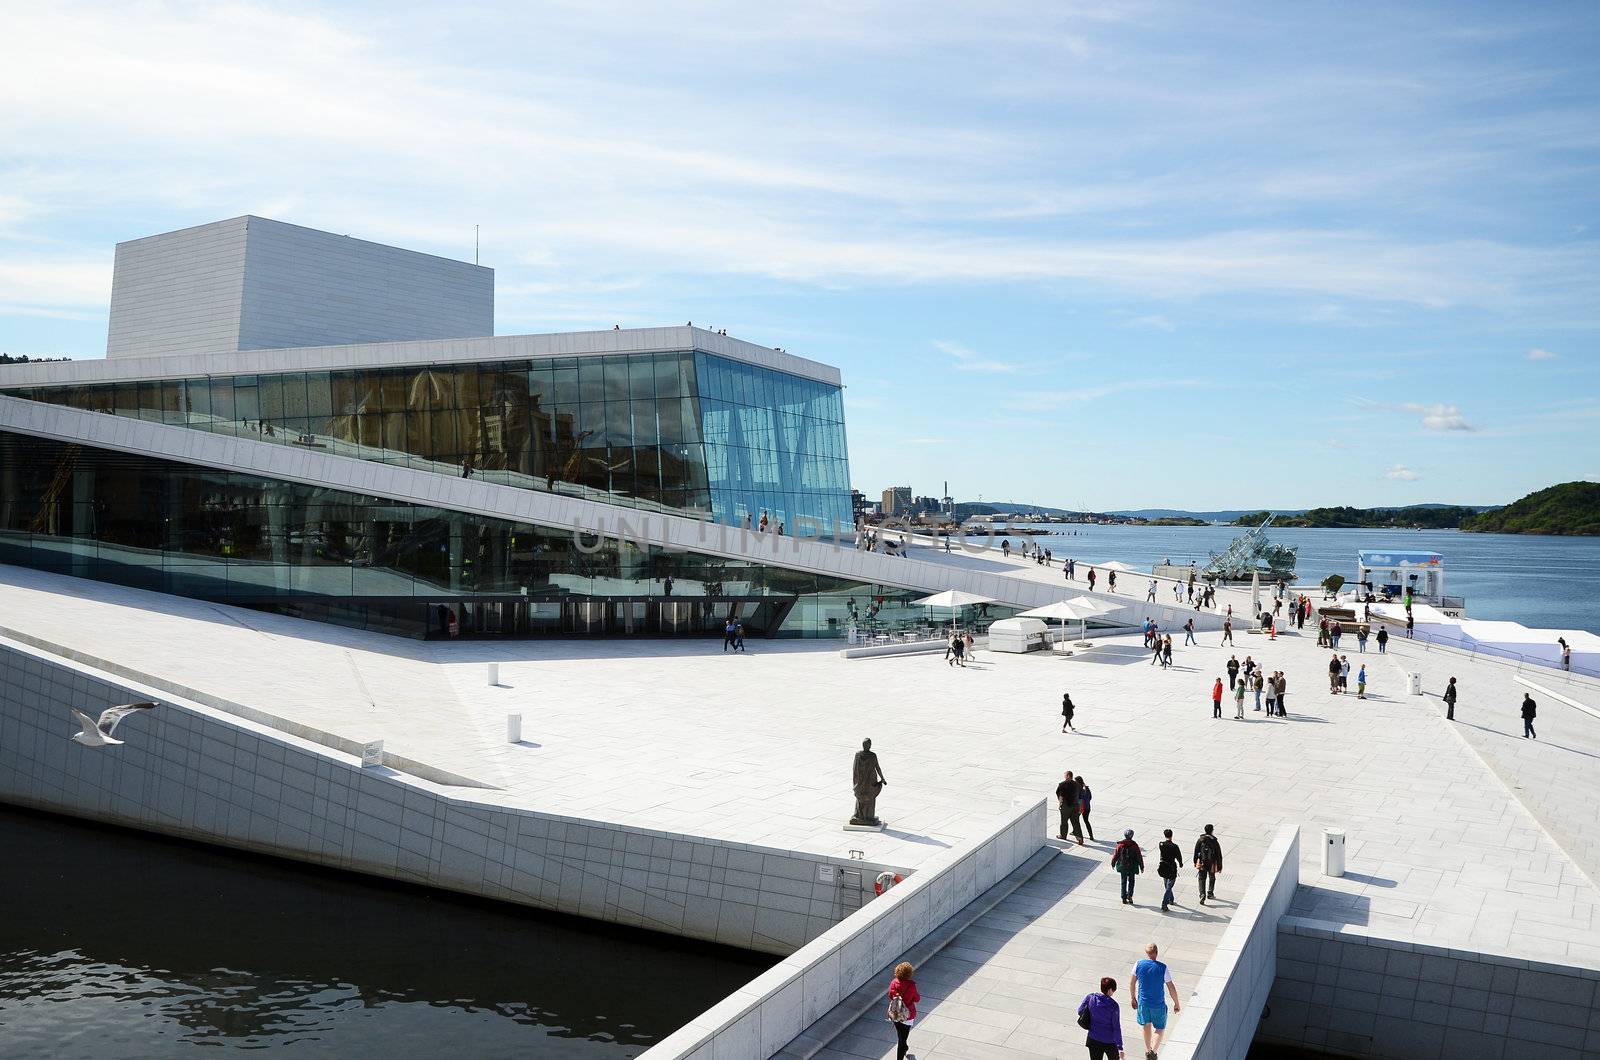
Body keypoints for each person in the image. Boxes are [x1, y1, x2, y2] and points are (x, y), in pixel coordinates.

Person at [1130, 943, 1181, 1060]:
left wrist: (1132, 998)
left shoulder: (1138, 964)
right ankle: (1154, 1051)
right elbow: (1171, 987)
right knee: (1160, 1028)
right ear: (1156, 953)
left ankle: (1148, 1050)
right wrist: (1176, 1003)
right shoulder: (1163, 968)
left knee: (1146, 1025)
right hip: (1158, 1004)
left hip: (1143, 1003)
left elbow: (1132, 982)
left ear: (1147, 953)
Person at [1077, 977, 1126, 1060]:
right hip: (1109, 1041)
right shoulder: (1113, 1006)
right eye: (1114, 990)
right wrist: (1120, 1047)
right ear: (1110, 990)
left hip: (1093, 1038)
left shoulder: (1090, 997)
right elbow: (1116, 1027)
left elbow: (1080, 1011)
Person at [886, 961, 920, 1060]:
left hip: (895, 1013)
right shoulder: (911, 985)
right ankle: (901, 1052)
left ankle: (904, 1047)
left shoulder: (893, 982)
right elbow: (917, 999)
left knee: (900, 1035)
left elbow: (890, 995)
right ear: (909, 973)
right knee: (902, 1038)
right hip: (907, 1015)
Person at [1112, 829, 1143, 904]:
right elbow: (1139, 857)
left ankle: (1123, 897)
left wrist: (1113, 863)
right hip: (1132, 866)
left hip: (1123, 866)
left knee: (1123, 881)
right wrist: (1142, 866)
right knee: (1131, 881)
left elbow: (1116, 855)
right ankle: (1130, 895)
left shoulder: (1120, 845)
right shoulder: (1135, 845)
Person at [1194, 824, 1223, 904]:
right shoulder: (1214, 841)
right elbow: (1218, 854)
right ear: (1212, 831)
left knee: (1201, 878)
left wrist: (1195, 861)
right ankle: (1210, 893)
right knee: (1212, 877)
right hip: (1212, 863)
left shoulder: (1201, 839)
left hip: (1202, 862)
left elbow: (1196, 851)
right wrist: (1220, 866)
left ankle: (1202, 894)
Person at [1157, 829, 1183, 912]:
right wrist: (1180, 863)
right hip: (1171, 868)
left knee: (1167, 885)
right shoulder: (1174, 846)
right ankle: (1164, 903)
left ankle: (1171, 899)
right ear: (1172, 835)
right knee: (1169, 886)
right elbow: (1179, 856)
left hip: (1163, 867)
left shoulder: (1161, 844)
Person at [1057, 771, 1084, 843]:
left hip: (1066, 806)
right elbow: (1081, 796)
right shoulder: (1077, 785)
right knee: (1076, 822)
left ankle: (1063, 835)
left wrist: (1060, 803)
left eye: (1065, 775)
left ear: (1068, 776)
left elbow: (1060, 795)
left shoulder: (1062, 784)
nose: (1064, 777)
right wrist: (1080, 806)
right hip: (1075, 806)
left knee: (1064, 821)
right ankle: (1079, 838)